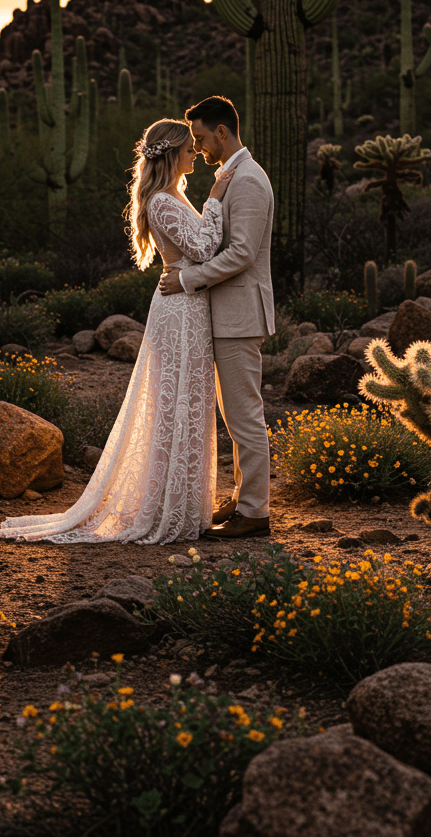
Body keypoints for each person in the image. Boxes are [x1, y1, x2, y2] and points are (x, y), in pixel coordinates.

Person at [0, 118, 233, 545]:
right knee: (174, 403)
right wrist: (215, 199)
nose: (196, 151)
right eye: (189, 147)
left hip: (188, 306)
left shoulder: (172, 196)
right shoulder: (161, 201)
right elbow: (203, 249)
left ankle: (181, 502)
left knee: (188, 403)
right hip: (179, 312)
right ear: (172, 152)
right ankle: (164, 507)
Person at [159, 95, 275, 539]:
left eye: (202, 137)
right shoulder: (232, 176)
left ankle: (255, 512)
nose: (199, 146)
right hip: (228, 315)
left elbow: (243, 253)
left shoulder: (247, 180)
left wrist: (188, 280)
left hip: (239, 316)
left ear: (222, 133)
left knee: (245, 416)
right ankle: (246, 498)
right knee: (235, 415)